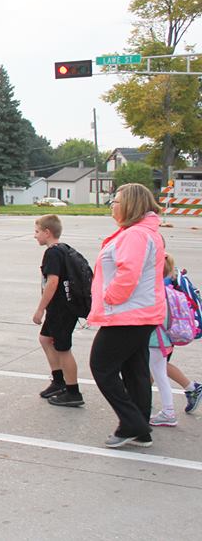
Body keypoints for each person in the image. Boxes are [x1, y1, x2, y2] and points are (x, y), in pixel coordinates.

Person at [88, 183, 166, 449]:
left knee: (101, 366)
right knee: (135, 371)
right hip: (138, 314)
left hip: (127, 315)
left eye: (117, 201)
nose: (113, 205)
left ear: (131, 205)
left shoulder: (135, 235)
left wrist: (110, 297)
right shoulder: (140, 232)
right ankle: (140, 429)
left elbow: (128, 273)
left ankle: (132, 422)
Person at [33, 214, 85, 407]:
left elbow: (52, 282)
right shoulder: (64, 249)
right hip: (62, 307)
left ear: (47, 233)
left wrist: (40, 309)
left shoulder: (53, 253)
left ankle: (73, 391)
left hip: (62, 308)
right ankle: (58, 381)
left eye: (37, 232)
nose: (35, 235)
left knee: (63, 349)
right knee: (45, 339)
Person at [147, 254, 180, 427]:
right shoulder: (170, 290)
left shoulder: (156, 291)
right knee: (160, 375)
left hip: (155, 339)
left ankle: (167, 412)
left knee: (156, 374)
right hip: (165, 339)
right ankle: (168, 410)